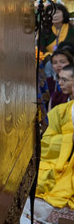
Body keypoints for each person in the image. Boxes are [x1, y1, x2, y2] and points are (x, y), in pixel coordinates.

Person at [37, 65, 74, 207]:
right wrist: (68, 140)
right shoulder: (60, 109)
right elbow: (45, 141)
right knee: (41, 178)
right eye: (59, 79)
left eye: (65, 80)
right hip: (60, 160)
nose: (60, 83)